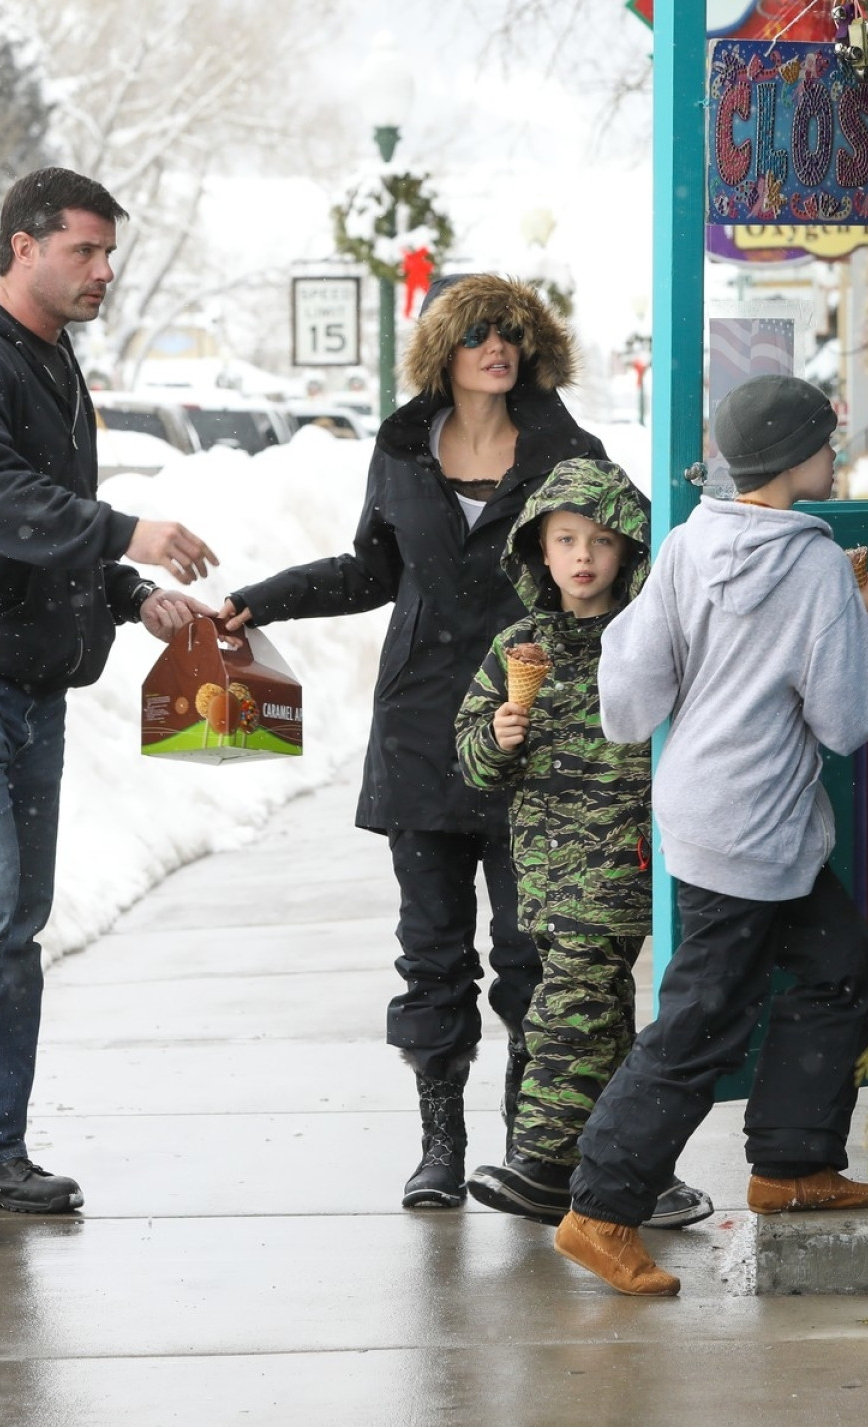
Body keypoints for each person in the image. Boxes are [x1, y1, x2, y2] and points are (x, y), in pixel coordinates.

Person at [221, 273, 608, 1209]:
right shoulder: (401, 448)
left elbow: (613, 567)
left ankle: (530, 1145)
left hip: (533, 736)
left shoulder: (569, 450)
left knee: (531, 954)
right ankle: (440, 1142)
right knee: (432, 953)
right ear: (446, 348)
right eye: (478, 332)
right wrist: (260, 600)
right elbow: (371, 569)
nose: (497, 347)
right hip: (424, 728)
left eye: (512, 332)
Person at [0, 166, 219, 1233]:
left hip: (28, 684)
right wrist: (126, 533)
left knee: (16, 921)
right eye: (84, 251)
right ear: (20, 246)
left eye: (108, 253)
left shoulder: (53, 364)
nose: (103, 272)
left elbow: (56, 518)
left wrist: (132, 593)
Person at [552, 374, 868, 1296]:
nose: (836, 452)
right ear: (794, 459)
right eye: (828, 440)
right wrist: (860, 622)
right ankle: (600, 1209)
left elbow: (630, 700)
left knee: (840, 962)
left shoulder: (689, 546)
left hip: (711, 815)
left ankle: (789, 1165)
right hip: (759, 827)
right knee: (701, 1022)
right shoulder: (816, 567)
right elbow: (847, 719)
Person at [455, 457, 712, 1232]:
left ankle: (550, 1163)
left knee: (580, 1001)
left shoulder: (647, 638)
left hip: (629, 854)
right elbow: (468, 760)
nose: (582, 557)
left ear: (629, 551)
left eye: (601, 541)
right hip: (545, 863)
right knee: (588, 1005)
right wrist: (497, 737)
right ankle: (630, 1173)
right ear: (539, 550)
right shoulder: (516, 646)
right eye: (565, 539)